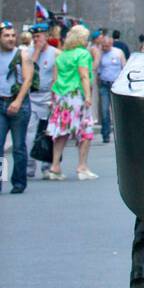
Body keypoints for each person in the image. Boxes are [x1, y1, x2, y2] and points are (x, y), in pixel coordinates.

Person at [46, 24, 96, 181]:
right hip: (77, 95)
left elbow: (54, 79)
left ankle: (55, 166)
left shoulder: (61, 55)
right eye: (86, 38)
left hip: (61, 96)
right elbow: (84, 76)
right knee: (86, 129)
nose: (88, 41)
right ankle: (82, 166)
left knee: (61, 131)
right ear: (81, 39)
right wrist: (88, 96)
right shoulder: (83, 54)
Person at [0, 19, 34, 195]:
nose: (11, 38)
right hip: (1, 103)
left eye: (13, 35)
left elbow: (28, 79)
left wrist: (18, 101)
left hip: (19, 104)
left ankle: (19, 183)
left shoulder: (22, 54)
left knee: (19, 146)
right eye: (6, 36)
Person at [24, 21, 58, 180]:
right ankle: (29, 166)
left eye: (40, 36)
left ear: (47, 36)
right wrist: (36, 52)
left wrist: (55, 97)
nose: (38, 39)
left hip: (48, 96)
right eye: (35, 36)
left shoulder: (56, 53)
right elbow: (28, 71)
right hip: (31, 96)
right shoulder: (27, 52)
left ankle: (47, 165)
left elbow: (56, 77)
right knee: (29, 132)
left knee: (48, 132)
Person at [96, 30, 127, 144]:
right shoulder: (100, 54)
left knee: (116, 110)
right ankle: (106, 134)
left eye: (107, 46)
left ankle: (119, 132)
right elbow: (97, 69)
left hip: (116, 84)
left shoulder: (118, 53)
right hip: (104, 84)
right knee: (104, 110)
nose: (105, 48)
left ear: (111, 44)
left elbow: (124, 67)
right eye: (103, 46)